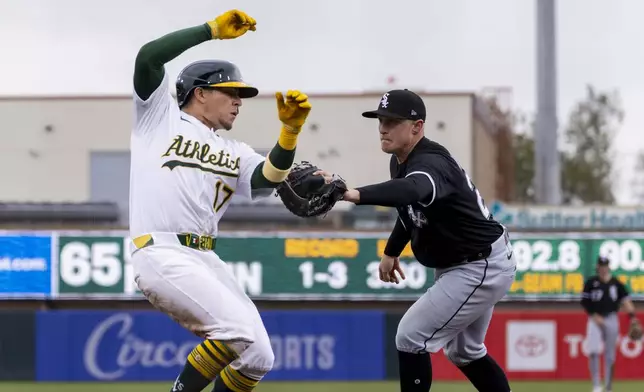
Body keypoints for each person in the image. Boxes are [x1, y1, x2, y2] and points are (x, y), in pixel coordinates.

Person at [128, 9, 312, 392]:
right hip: (162, 251)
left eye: (240, 95)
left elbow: (267, 180)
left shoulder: (234, 150)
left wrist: (290, 133)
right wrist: (209, 30)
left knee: (260, 355)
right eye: (231, 92)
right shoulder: (158, 118)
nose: (239, 101)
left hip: (206, 257)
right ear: (200, 93)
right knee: (236, 331)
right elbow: (148, 57)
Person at [337, 89, 517, 391]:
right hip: (470, 262)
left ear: (417, 126)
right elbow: (411, 211)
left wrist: (356, 194)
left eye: (392, 121)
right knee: (464, 352)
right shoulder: (402, 161)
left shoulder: (432, 163)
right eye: (381, 120)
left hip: (479, 265)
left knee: (409, 336)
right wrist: (392, 250)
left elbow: (412, 191)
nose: (383, 127)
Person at [581, 256, 638, 392]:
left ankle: (608, 386)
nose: (603, 268)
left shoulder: (616, 283)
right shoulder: (591, 282)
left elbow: (626, 302)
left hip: (611, 317)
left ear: (608, 267)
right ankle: (596, 385)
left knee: (610, 354)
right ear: (597, 267)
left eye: (605, 265)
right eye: (601, 265)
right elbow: (584, 302)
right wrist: (594, 315)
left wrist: (633, 318)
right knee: (594, 351)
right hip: (594, 318)